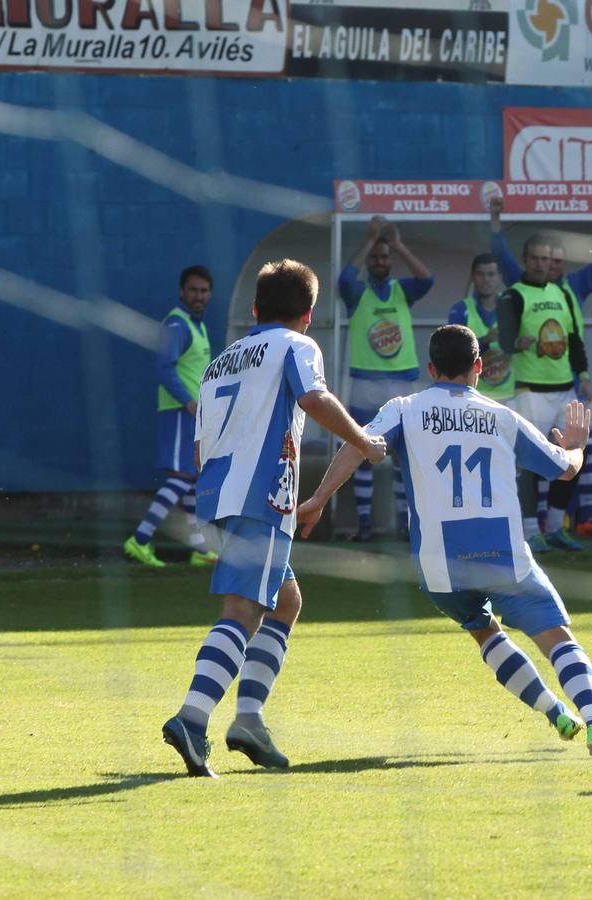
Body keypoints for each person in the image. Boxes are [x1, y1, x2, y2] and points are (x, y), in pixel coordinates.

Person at [296, 325, 592, 758]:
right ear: (479, 367)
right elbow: (564, 469)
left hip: (439, 564)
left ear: (430, 369)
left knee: (484, 632)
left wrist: (319, 498)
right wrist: (576, 447)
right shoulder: (501, 415)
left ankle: (555, 715)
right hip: (502, 554)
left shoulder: (404, 408)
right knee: (559, 640)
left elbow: (359, 445)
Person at [161, 260, 388, 777]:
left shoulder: (222, 360)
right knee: (243, 609)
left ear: (255, 310)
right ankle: (192, 719)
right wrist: (363, 443)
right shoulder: (297, 345)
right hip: (261, 497)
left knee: (285, 601)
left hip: (215, 496)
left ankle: (249, 720)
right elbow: (314, 397)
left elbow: (200, 445)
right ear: (308, 315)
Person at [338, 217, 435, 542]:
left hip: (401, 383)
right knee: (362, 451)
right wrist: (369, 240)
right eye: (375, 257)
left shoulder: (401, 290)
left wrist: (398, 245)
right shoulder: (357, 293)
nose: (380, 261)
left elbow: (426, 279)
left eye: (384, 257)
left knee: (403, 455)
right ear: (368, 261)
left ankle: (406, 523)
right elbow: (343, 279)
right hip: (366, 384)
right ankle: (365, 524)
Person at [497, 234, 590, 552]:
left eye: (547, 259)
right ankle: (528, 531)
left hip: (564, 389)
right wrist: (515, 343)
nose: (541, 264)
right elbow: (504, 341)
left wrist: (585, 375)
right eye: (535, 258)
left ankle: (555, 526)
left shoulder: (562, 293)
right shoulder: (513, 295)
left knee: (573, 454)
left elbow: (574, 340)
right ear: (526, 260)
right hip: (529, 391)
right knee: (529, 462)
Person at [123, 265, 219, 569]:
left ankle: (199, 549)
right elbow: (164, 368)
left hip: (192, 411)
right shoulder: (177, 325)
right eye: (193, 290)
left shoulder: (196, 325)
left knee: (191, 479)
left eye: (204, 291)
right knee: (182, 477)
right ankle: (140, 539)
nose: (198, 296)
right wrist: (189, 402)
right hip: (180, 411)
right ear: (181, 291)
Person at [488, 195, 592, 318]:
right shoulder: (521, 283)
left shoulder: (576, 285)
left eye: (557, 261)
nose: (552, 266)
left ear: (564, 263)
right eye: (547, 259)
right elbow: (501, 256)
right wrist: (495, 217)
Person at [447, 253, 511, 402]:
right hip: (474, 397)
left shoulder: (512, 306)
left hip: (510, 397)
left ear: (500, 277)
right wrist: (484, 341)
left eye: (491, 274)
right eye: (480, 274)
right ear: (473, 277)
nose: (486, 280)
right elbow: (453, 354)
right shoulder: (460, 309)